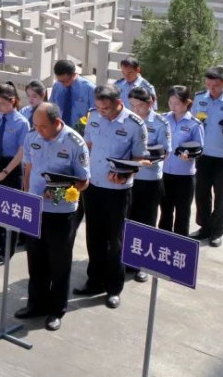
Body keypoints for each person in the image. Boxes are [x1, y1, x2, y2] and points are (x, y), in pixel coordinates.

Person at [15, 103, 91, 332]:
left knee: (59, 262)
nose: (39, 130)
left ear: (57, 122)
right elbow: (28, 168)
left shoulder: (75, 143)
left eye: (43, 127)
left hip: (62, 212)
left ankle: (56, 310)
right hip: (35, 208)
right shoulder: (32, 136)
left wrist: (60, 189)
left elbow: (84, 181)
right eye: (36, 126)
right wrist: (27, 197)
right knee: (35, 259)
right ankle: (36, 304)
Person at [75, 85, 147, 310]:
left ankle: (114, 288)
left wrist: (125, 174)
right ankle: (94, 280)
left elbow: (139, 160)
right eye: (99, 107)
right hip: (93, 185)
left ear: (118, 103)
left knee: (115, 240)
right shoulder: (93, 116)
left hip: (117, 190)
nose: (102, 112)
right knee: (93, 235)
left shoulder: (135, 125)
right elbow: (88, 145)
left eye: (106, 108)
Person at [125, 86, 170, 283]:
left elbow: (165, 151)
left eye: (139, 106)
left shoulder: (160, 123)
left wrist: (149, 156)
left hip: (150, 180)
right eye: (132, 105)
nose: (135, 110)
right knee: (129, 218)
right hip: (130, 178)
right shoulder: (127, 119)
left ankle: (144, 264)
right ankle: (128, 258)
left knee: (147, 221)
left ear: (150, 103)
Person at [0, 83, 29, 266]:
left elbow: (22, 150)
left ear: (13, 101)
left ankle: (6, 252)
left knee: (9, 211)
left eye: (2, 103)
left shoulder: (21, 122)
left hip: (11, 166)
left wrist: (6, 171)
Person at [192, 67, 223, 247]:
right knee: (201, 193)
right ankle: (204, 228)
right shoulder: (199, 98)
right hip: (203, 155)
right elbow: (194, 120)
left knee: (220, 195)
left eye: (216, 86)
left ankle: (217, 232)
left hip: (222, 156)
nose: (212, 89)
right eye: (209, 85)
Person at [160, 85, 204, 237]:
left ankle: (179, 249)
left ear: (187, 103)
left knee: (182, 214)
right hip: (165, 173)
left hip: (184, 176)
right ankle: (162, 245)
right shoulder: (164, 119)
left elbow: (199, 149)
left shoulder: (194, 124)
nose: (173, 106)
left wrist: (190, 155)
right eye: (171, 102)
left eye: (177, 103)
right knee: (165, 212)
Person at [50, 59, 96, 135]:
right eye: (60, 81)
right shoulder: (57, 86)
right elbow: (51, 107)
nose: (63, 84)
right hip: (59, 131)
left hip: (81, 132)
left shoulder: (89, 89)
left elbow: (95, 113)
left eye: (66, 81)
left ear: (74, 75)